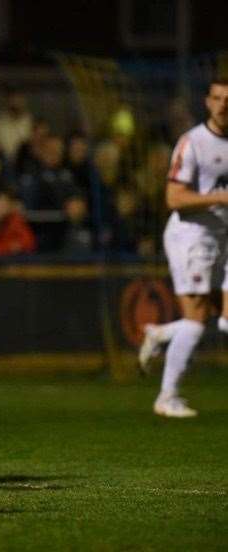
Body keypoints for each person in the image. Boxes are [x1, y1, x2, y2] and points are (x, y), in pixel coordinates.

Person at [137, 78, 228, 418]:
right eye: (217, 98)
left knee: (221, 321)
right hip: (191, 237)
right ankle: (167, 397)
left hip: (222, 238)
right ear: (207, 102)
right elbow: (173, 197)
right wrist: (218, 197)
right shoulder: (193, 143)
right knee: (196, 319)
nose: (223, 105)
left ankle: (160, 334)